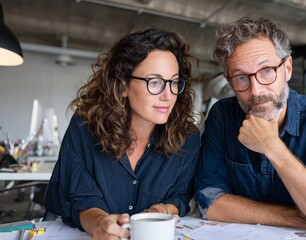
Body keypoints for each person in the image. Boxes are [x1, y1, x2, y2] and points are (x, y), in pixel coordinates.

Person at [194, 17, 306, 236]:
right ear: (229, 80)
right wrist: (299, 218)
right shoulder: (222, 115)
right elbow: (211, 202)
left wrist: (272, 147)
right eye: (241, 77)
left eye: (266, 71)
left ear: (287, 68)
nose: (256, 91)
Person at [44, 28, 200, 240]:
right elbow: (77, 198)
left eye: (173, 82)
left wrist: (163, 211)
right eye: (154, 82)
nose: (168, 95)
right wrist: (100, 224)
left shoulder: (187, 137)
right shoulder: (84, 127)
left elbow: (179, 196)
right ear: (122, 85)